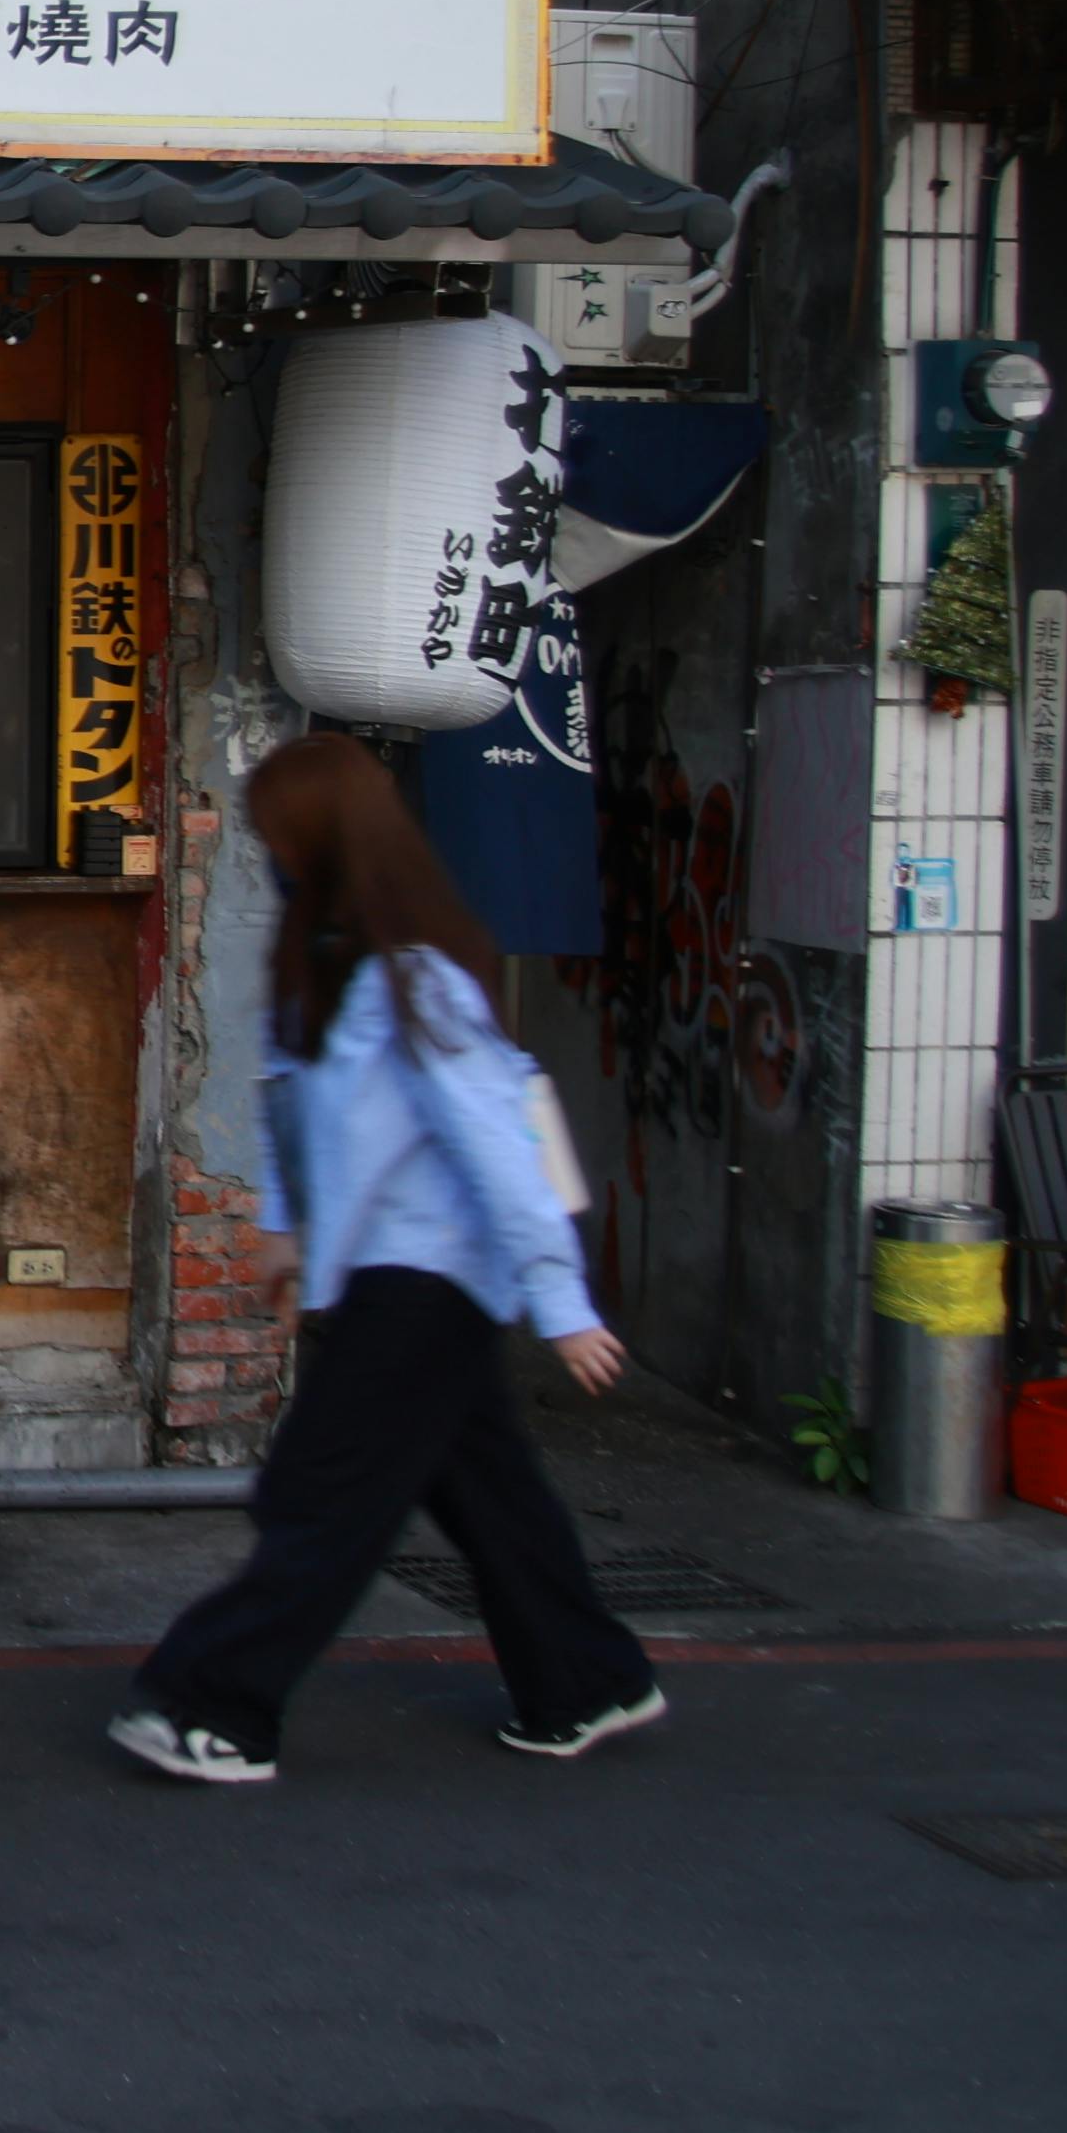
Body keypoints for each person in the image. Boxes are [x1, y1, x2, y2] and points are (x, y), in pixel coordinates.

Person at [110, 731, 665, 1786]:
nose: (262, 841)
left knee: (326, 1497)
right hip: (381, 1276)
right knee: (490, 1496)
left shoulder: (417, 979)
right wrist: (282, 1228)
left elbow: (499, 1144)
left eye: (276, 824)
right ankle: (589, 1678)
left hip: (432, 1281)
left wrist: (561, 1300)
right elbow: (291, 1113)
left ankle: (216, 1706)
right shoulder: (318, 960)